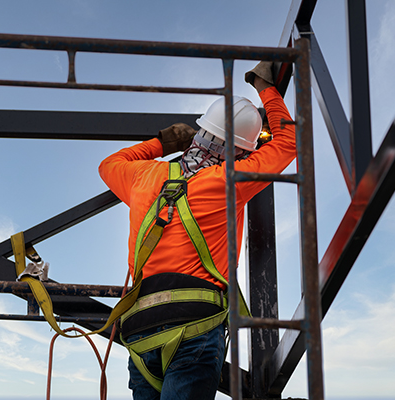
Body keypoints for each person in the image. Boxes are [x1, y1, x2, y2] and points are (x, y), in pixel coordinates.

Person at [98, 62, 297, 400]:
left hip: (141, 326)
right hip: (196, 323)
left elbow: (108, 165)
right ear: (240, 151)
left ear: (200, 133)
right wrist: (265, 86)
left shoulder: (143, 176)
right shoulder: (229, 179)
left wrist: (162, 143)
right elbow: (289, 142)